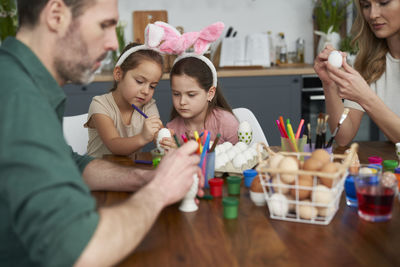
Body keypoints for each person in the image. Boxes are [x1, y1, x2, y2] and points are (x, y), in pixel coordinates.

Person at [0, 0, 203, 266]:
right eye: (104, 25)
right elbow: (79, 249)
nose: (111, 43)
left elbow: (70, 163)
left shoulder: (20, 80)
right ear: (56, 15)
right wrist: (159, 191)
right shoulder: (19, 96)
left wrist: (144, 178)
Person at [314, 0, 400, 146]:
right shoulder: (369, 62)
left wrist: (366, 97)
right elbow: (343, 136)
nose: (372, 15)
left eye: (384, 2)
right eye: (366, 6)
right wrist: (330, 84)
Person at [86, 42, 164, 158]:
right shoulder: (100, 104)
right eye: (139, 81)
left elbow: (157, 133)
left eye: (152, 86)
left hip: (128, 170)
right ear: (118, 74)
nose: (146, 91)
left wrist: (164, 138)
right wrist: (143, 137)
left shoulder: (148, 105)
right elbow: (114, 144)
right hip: (97, 170)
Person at [162, 55, 239, 150]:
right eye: (176, 94)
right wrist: (174, 152)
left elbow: (245, 158)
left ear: (210, 94)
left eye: (191, 95)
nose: (182, 102)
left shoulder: (226, 123)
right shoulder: (172, 129)